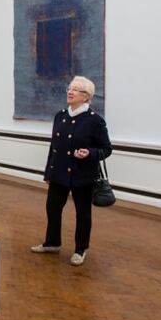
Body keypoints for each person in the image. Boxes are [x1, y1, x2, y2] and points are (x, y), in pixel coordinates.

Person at [31, 76, 111, 266]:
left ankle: (80, 249)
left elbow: (106, 149)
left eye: (76, 89)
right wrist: (48, 173)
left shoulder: (95, 121)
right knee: (52, 208)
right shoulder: (60, 116)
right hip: (58, 174)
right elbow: (54, 147)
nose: (70, 91)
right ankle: (52, 243)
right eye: (70, 88)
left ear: (86, 97)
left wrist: (89, 153)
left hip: (83, 176)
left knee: (83, 214)